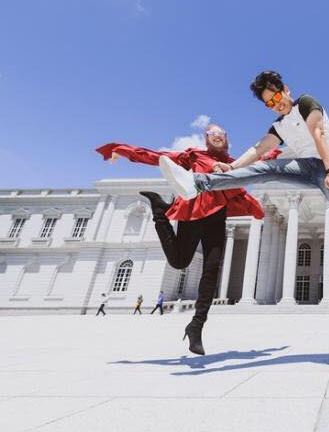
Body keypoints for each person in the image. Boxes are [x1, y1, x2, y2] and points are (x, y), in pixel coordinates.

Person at [158, 70, 329, 278]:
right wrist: (232, 167)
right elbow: (259, 148)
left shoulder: (306, 103)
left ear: (285, 90)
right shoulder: (279, 125)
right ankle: (198, 183)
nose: (276, 104)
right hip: (305, 167)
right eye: (269, 104)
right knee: (265, 169)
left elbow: (318, 134)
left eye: (276, 97)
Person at [97, 124, 280, 355]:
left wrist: (275, 152)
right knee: (179, 262)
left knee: (212, 270)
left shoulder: (234, 163)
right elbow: (157, 157)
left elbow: (259, 162)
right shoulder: (194, 156)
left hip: (217, 216)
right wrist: (121, 150)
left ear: (226, 139)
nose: (217, 135)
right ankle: (160, 214)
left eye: (221, 133)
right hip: (193, 213)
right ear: (206, 138)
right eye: (212, 133)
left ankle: (196, 327)